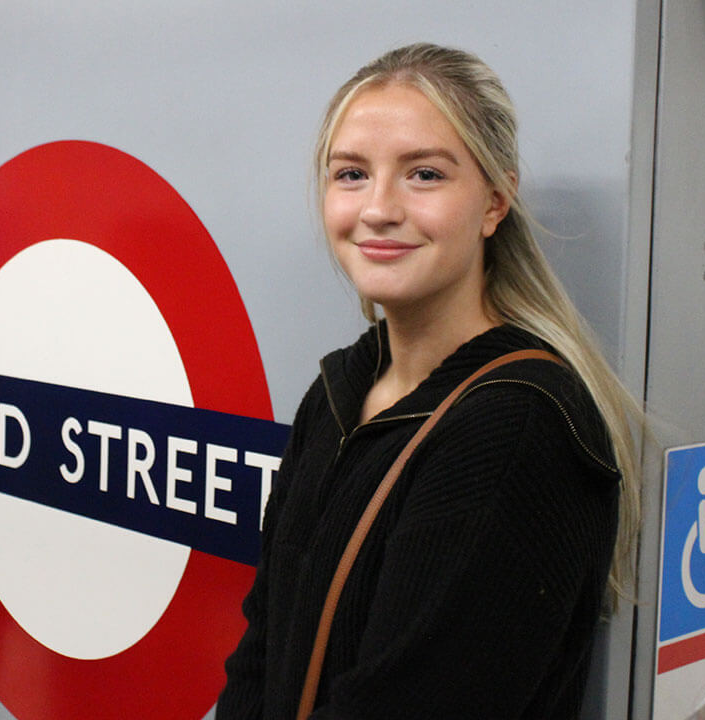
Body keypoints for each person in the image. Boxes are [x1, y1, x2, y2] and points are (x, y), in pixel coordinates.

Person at [217, 43, 641, 719]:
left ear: (494, 204)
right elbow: (262, 645)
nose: (378, 208)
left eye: (424, 175)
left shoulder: (514, 430)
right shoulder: (339, 393)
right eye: (351, 174)